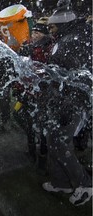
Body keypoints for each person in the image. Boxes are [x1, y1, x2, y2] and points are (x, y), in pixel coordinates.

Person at [39, 2, 92, 206]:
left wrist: (43, 73)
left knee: (59, 141)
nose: (51, 31)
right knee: (54, 139)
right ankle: (61, 181)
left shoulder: (71, 41)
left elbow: (62, 73)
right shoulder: (78, 36)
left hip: (73, 101)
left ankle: (84, 184)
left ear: (62, 25)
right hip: (70, 99)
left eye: (53, 27)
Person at [13, 17, 54, 172]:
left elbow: (45, 72)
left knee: (42, 126)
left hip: (42, 94)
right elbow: (23, 70)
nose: (35, 34)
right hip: (28, 91)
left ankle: (42, 161)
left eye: (38, 32)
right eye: (34, 32)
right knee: (20, 115)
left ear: (45, 34)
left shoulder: (49, 49)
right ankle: (31, 149)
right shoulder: (29, 46)